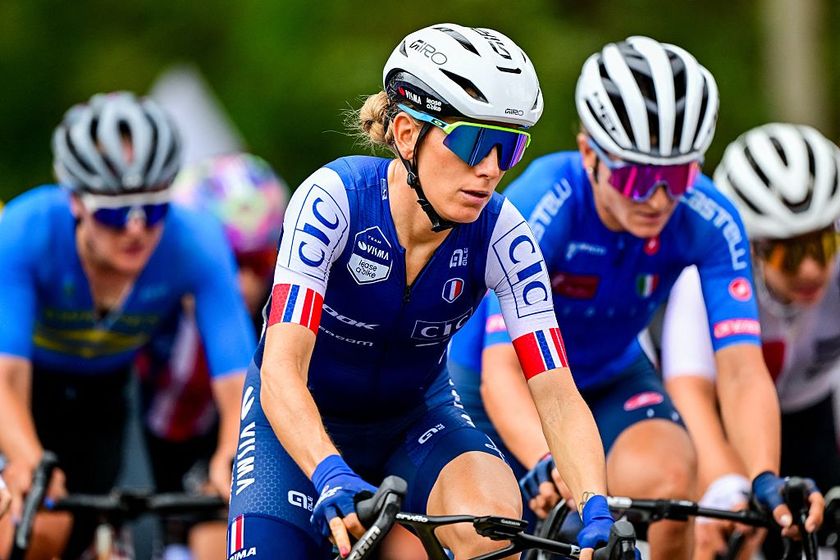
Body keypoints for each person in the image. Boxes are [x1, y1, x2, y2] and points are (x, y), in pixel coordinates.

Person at [227, 23, 615, 560]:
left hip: (416, 418)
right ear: (408, 134)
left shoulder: (504, 234)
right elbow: (282, 367)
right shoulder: (334, 200)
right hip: (299, 421)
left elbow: (555, 390)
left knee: (495, 530)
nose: (491, 170)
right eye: (475, 141)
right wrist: (328, 468)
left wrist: (596, 505)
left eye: (510, 147)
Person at [450, 36, 823, 560]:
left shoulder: (709, 216)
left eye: (676, 175)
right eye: (635, 175)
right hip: (494, 384)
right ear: (588, 154)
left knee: (670, 483)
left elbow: (741, 368)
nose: (657, 197)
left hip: (608, 377)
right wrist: (548, 459)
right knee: (502, 537)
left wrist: (763, 474)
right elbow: (504, 372)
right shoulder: (545, 202)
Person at [0, 92, 255, 559]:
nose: (136, 229)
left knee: (105, 540)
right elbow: (6, 377)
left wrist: (232, 453)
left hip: (107, 396)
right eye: (115, 212)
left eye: (153, 209)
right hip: (23, 393)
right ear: (75, 202)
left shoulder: (195, 239)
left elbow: (238, 374)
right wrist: (26, 459)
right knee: (34, 528)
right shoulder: (24, 230)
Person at [662, 123, 840, 558]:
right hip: (720, 414)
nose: (813, 269)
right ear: (755, 249)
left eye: (825, 244)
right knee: (730, 526)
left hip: (808, 411)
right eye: (790, 254)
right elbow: (691, 395)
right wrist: (727, 489)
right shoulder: (704, 277)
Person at [136, 153, 287, 559]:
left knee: (214, 538)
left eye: (257, 264)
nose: (241, 283)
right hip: (140, 443)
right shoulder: (146, 306)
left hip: (210, 453)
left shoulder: (274, 322)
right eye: (228, 264)